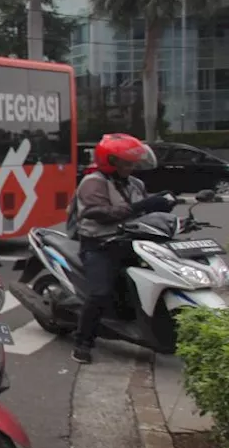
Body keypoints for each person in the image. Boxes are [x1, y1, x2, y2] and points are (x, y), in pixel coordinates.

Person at [68, 133, 173, 364]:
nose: (132, 166)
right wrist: (142, 206)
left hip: (131, 242)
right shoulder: (93, 182)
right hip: (99, 246)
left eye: (133, 161)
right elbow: (98, 213)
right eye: (127, 162)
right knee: (99, 293)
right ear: (111, 161)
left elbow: (146, 211)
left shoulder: (136, 183)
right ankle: (82, 342)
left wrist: (166, 207)